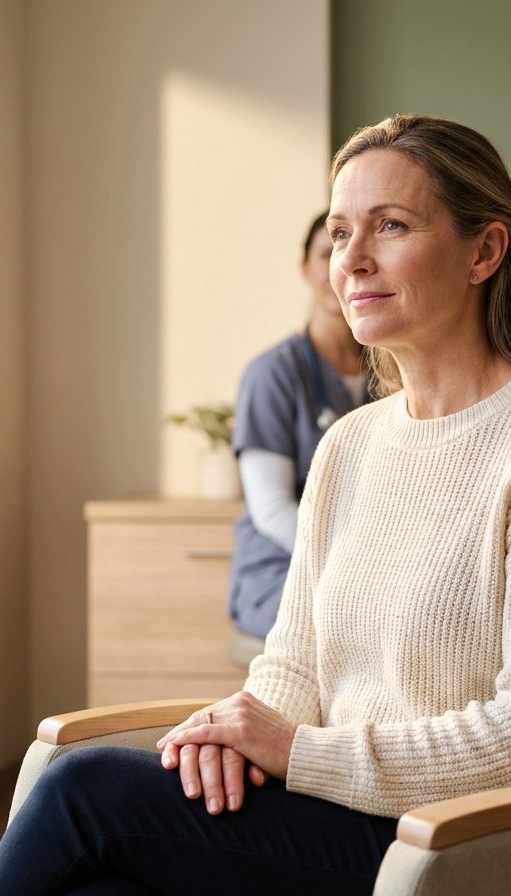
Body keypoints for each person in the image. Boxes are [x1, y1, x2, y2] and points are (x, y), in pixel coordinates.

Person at [0, 115, 511, 896]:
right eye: (338, 233)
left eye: (390, 226)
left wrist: (297, 753)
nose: (351, 260)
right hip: (349, 815)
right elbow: (292, 664)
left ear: (484, 251)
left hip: (476, 841)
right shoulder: (350, 446)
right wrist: (234, 737)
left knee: (82, 790)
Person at [228, 212, 370, 639]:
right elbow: (271, 510)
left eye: (348, 251)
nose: (341, 265)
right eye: (328, 253)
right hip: (283, 569)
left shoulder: (392, 374)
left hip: (364, 569)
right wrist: (354, 567)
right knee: (359, 627)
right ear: (306, 269)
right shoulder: (272, 374)